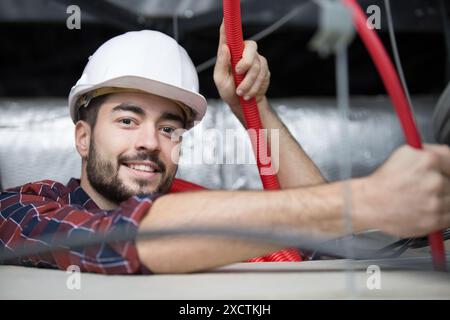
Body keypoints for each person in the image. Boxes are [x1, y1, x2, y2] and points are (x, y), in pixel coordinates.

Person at [1, 23, 449, 274]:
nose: (149, 142)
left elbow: (327, 237)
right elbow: (115, 242)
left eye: (169, 128)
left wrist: (252, 108)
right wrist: (366, 198)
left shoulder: (200, 207)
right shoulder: (21, 208)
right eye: (127, 120)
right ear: (83, 136)